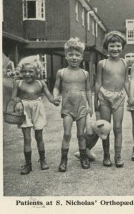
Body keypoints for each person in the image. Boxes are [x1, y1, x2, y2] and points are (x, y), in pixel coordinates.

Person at [87, 31, 129, 168]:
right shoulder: (102, 63)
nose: (115, 49)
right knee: (105, 128)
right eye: (112, 46)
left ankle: (118, 156)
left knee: (118, 127)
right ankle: (106, 156)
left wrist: (131, 97)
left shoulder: (124, 63)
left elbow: (126, 82)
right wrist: (95, 102)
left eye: (118, 46)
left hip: (119, 97)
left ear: (122, 46)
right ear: (107, 47)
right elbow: (98, 83)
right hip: (104, 97)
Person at [11, 57, 59, 175]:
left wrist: (54, 101)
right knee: (27, 138)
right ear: (21, 72)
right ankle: (28, 163)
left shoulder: (41, 83)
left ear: (37, 72)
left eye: (31, 71)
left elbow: (49, 96)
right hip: (24, 110)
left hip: (38, 109)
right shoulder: (18, 83)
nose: (27, 74)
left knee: (39, 136)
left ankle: (42, 159)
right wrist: (17, 102)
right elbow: (14, 97)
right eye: (24, 72)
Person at [53, 37, 93, 172]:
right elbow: (56, 88)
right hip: (68, 107)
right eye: (71, 55)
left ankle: (83, 157)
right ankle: (63, 160)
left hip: (81, 107)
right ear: (66, 56)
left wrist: (90, 106)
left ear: (82, 57)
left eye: (77, 55)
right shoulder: (61, 72)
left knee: (81, 134)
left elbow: (88, 90)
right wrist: (55, 96)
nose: (74, 58)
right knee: (67, 134)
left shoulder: (85, 73)